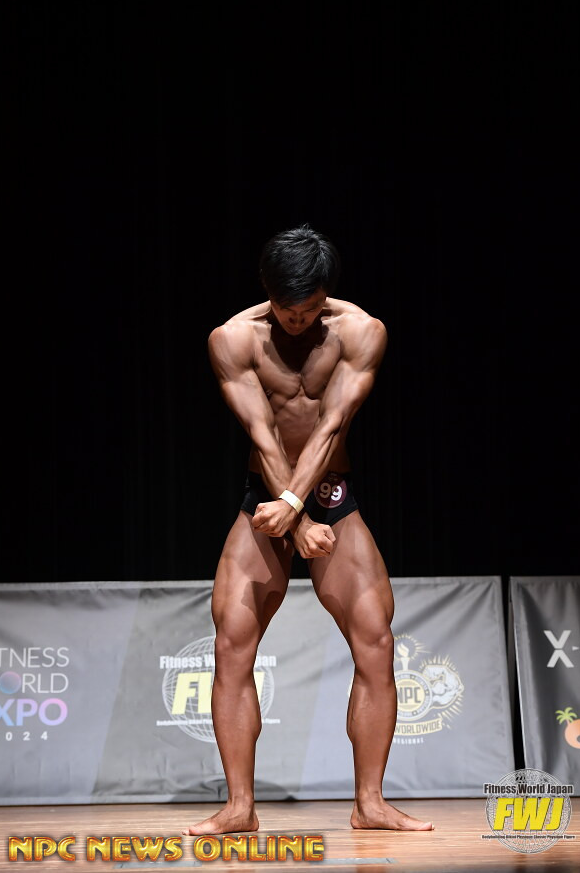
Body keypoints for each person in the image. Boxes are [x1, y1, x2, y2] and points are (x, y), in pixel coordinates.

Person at [183, 225, 433, 835]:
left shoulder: (360, 331)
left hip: (329, 494)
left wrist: (299, 505)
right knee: (231, 644)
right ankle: (239, 807)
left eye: (310, 309)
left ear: (327, 296)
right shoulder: (233, 339)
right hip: (265, 497)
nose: (297, 321)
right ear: (265, 291)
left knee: (376, 640)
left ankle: (370, 803)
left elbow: (333, 424)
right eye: (285, 308)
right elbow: (262, 433)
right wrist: (292, 518)